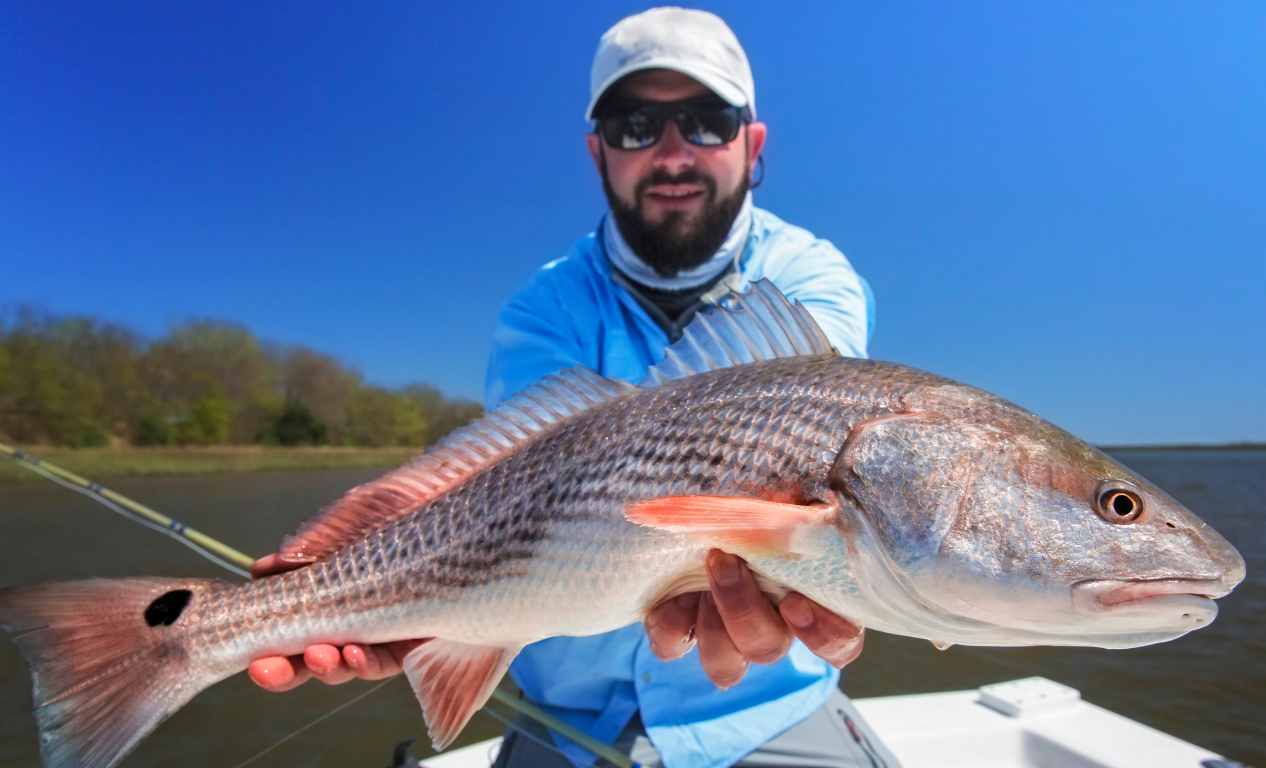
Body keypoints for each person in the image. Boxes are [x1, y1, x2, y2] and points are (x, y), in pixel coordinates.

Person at [248, 8, 897, 768]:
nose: (672, 151)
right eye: (634, 125)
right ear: (597, 152)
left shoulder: (813, 278)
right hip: (564, 718)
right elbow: (503, 489)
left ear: (752, 145)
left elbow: (825, 441)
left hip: (762, 704)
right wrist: (409, 604)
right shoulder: (542, 307)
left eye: (707, 120)